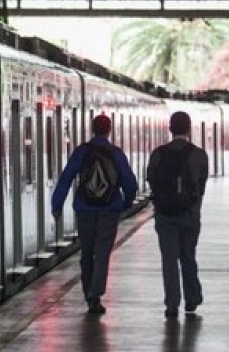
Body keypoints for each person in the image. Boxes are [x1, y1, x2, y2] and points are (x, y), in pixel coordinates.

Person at [52, 114, 138, 314]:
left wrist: (57, 205)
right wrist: (125, 204)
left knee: (87, 253)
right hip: (109, 210)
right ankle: (95, 295)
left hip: (85, 210)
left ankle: (87, 292)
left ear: (92, 129)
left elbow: (66, 178)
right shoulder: (115, 153)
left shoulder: (82, 152)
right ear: (109, 130)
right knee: (103, 254)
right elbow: (129, 182)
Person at [146, 111, 209, 318]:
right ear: (189, 128)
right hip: (190, 215)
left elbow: (151, 180)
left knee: (169, 259)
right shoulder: (199, 155)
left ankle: (172, 303)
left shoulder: (158, 154)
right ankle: (192, 298)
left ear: (170, 129)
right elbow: (202, 185)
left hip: (165, 216)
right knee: (188, 256)